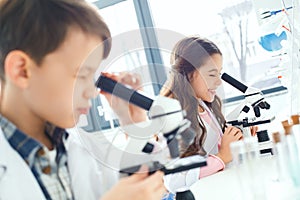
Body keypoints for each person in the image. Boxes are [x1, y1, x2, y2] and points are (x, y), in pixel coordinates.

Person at [0, 0, 165, 199]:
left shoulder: (76, 149)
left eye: (93, 77)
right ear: (22, 70)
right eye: (81, 75)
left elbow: (135, 181)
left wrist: (132, 121)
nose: (93, 92)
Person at [160, 36, 257, 195]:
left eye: (219, 73)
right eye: (212, 74)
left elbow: (213, 148)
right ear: (189, 74)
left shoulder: (205, 106)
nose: (219, 82)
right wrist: (222, 156)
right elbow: (174, 181)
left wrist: (237, 139)